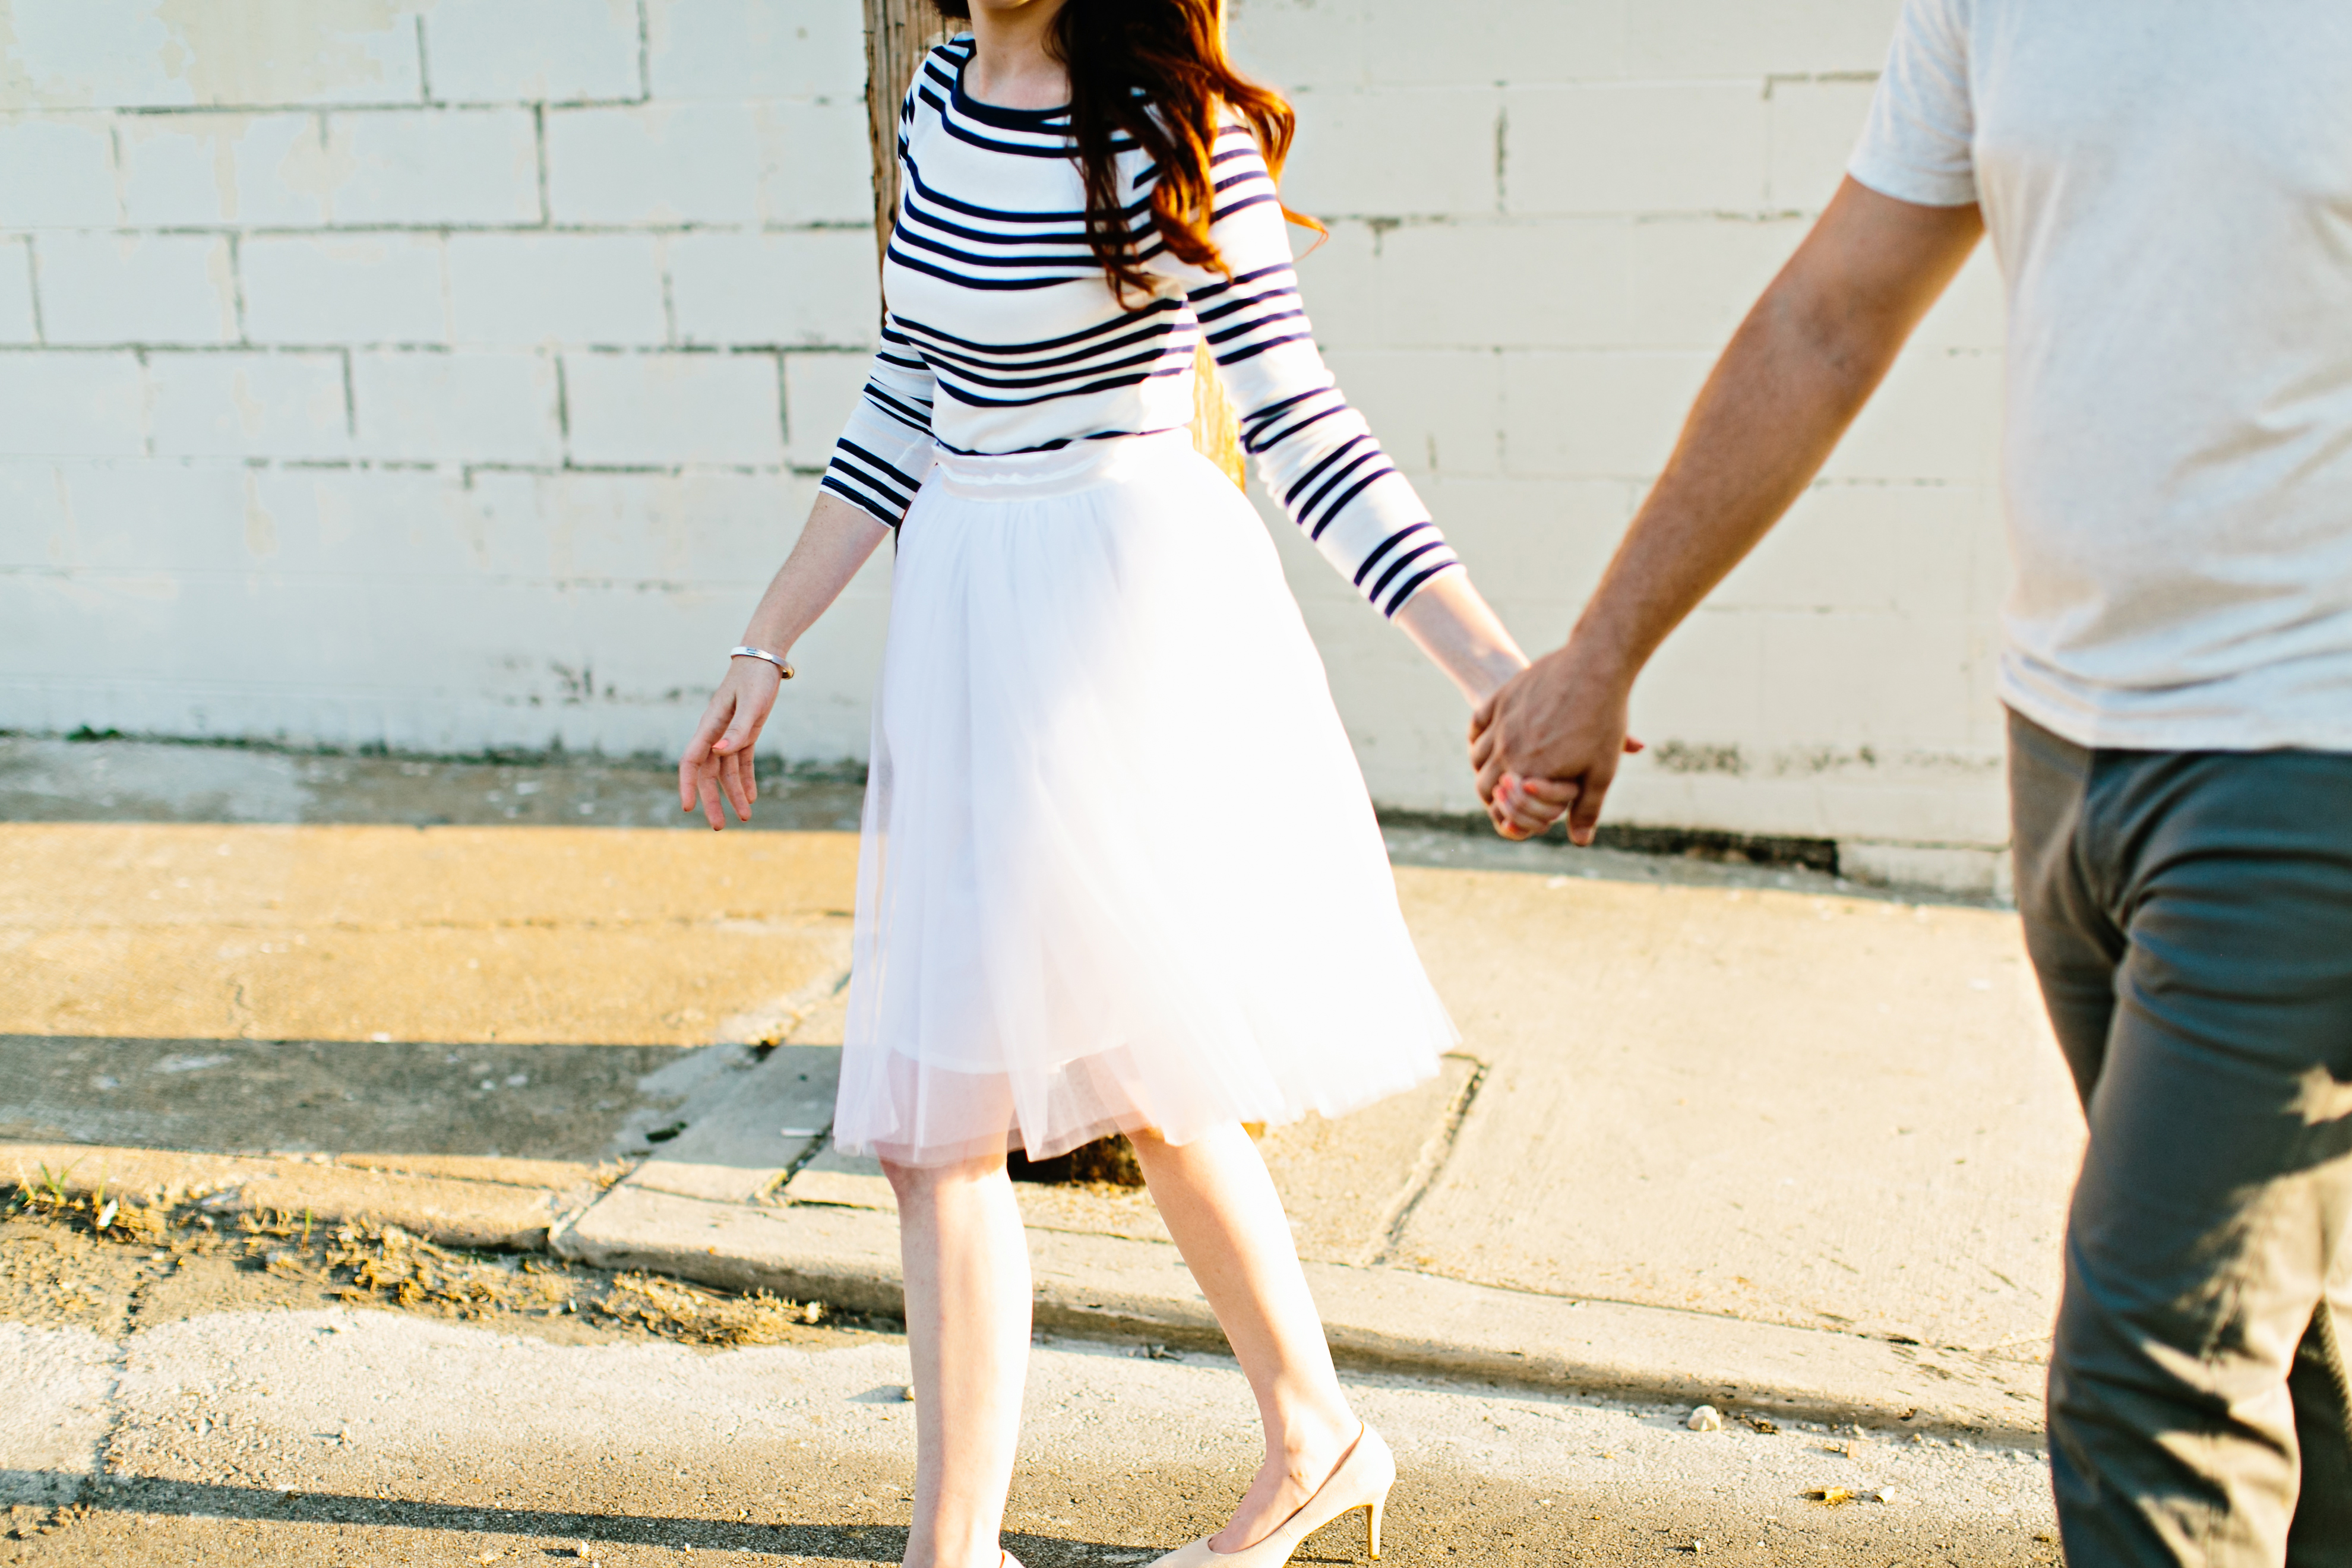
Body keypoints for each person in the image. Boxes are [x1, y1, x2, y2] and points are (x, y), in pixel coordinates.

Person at [679, 2, 1564, 1564]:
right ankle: (1311, 1437)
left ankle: (994, 1543)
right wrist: (769, 639)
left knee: (982, 1107)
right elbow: (907, 389)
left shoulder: (1167, 125)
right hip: (966, 598)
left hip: (1105, 612)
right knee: (1090, 1092)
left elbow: (1303, 427)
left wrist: (1497, 673)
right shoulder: (946, 83)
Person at [1471, 2, 2352, 1564]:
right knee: (2272, 1337)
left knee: (2151, 1379)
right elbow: (1833, 313)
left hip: (2303, 769)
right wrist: (1603, 651)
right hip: (2066, 743)